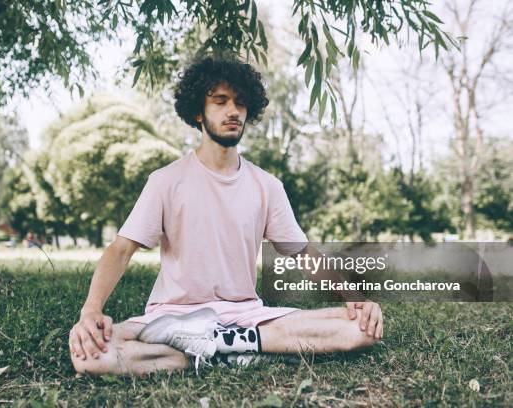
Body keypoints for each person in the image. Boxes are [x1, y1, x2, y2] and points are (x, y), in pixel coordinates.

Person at [69, 56, 384, 376]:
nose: (233, 111)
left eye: (240, 103)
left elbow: (304, 254)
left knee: (360, 329)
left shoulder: (267, 186)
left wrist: (357, 301)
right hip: (172, 318)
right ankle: (239, 350)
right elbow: (121, 250)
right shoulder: (166, 181)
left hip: (246, 315)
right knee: (89, 356)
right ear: (197, 112)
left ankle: (209, 348)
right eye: (220, 101)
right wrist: (90, 310)